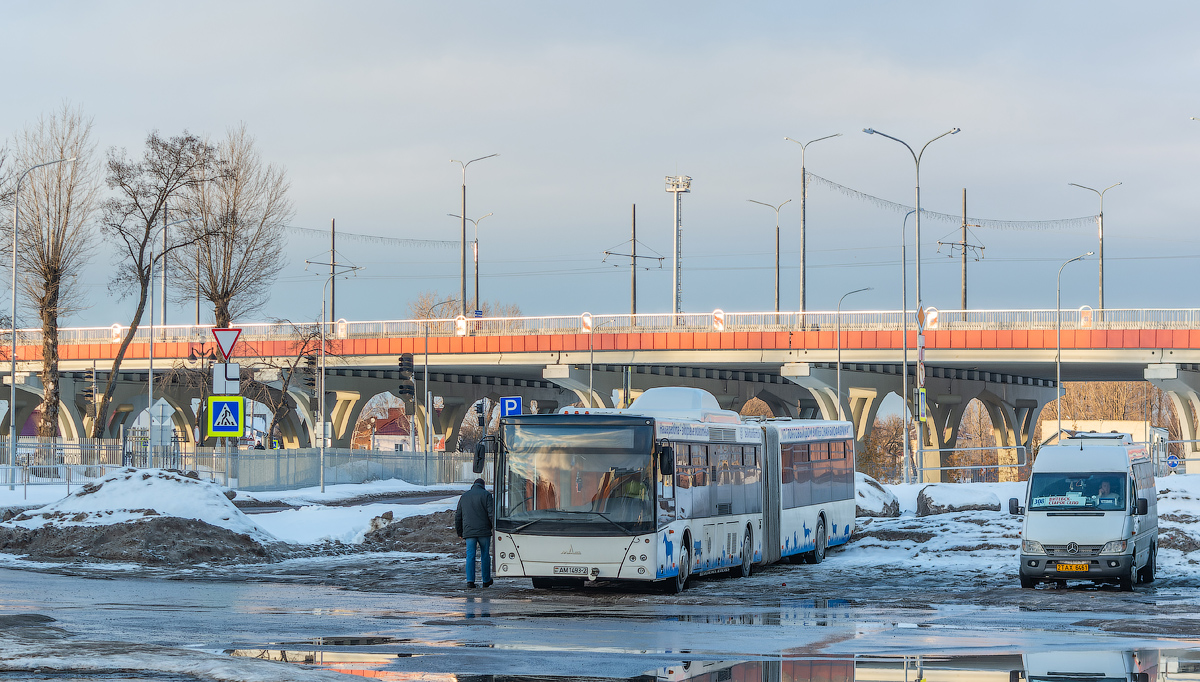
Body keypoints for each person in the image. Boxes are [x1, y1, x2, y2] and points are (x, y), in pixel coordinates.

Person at [455, 477, 495, 588]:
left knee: (470, 556)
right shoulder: (486, 495)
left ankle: (470, 581)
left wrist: (459, 532)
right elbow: (491, 514)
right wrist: (493, 527)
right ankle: (486, 580)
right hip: (484, 532)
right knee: (485, 555)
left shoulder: (464, 496)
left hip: (469, 532)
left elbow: (458, 516)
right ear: (483, 485)